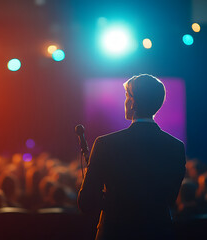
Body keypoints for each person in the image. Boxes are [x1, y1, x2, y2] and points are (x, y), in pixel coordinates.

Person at [78, 74, 186, 240]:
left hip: (115, 233)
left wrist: (111, 198)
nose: (125, 101)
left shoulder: (105, 144)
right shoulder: (176, 147)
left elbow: (86, 202)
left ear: (133, 103)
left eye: (127, 96)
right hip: (158, 233)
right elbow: (170, 198)